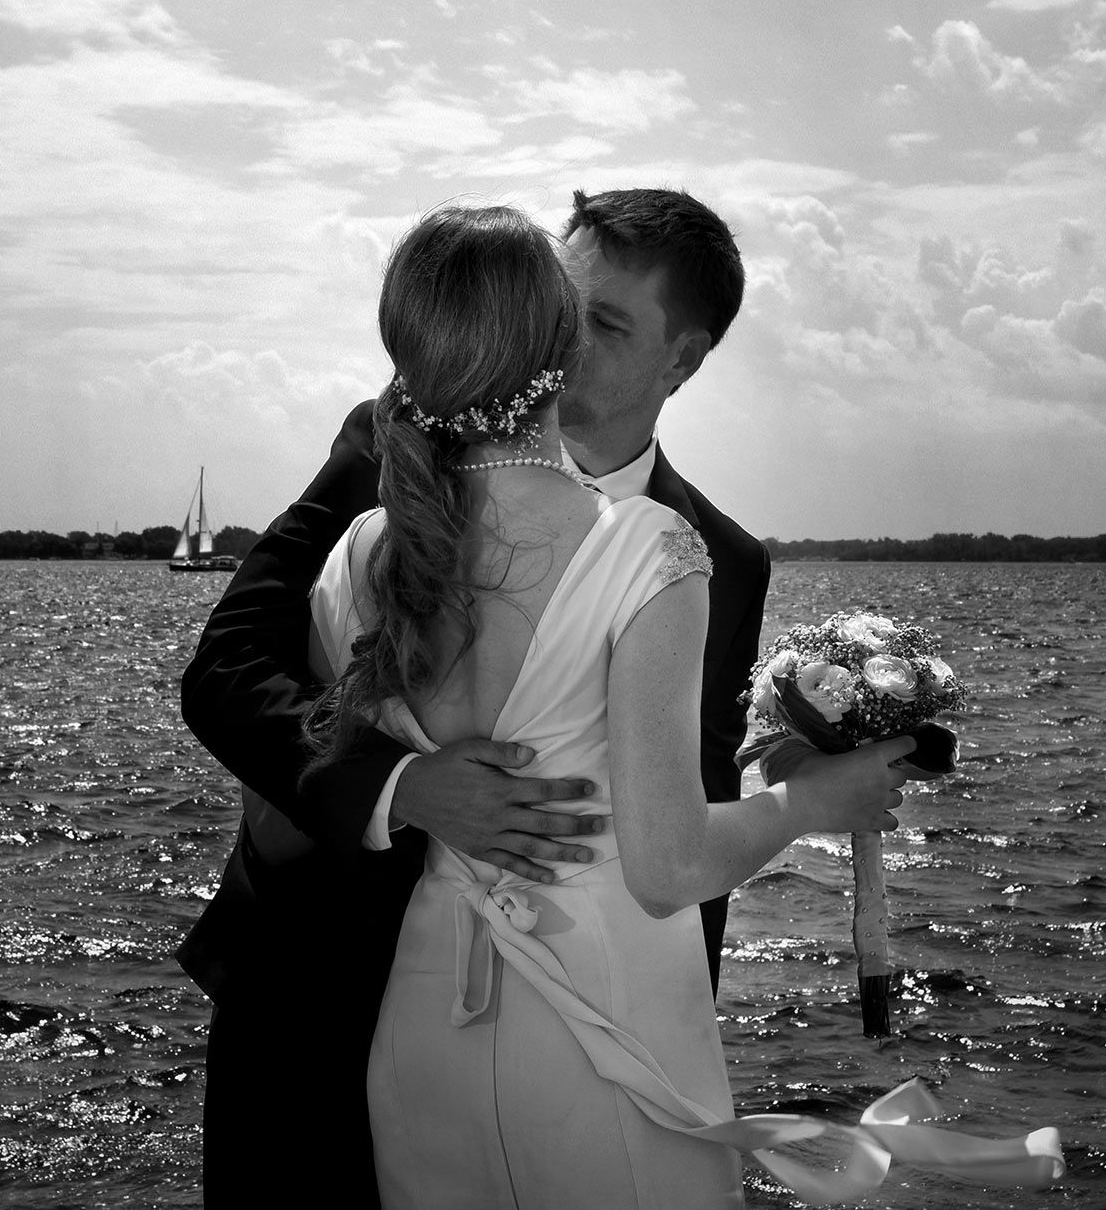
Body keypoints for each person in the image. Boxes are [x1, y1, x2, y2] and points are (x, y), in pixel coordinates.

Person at [178, 190, 914, 1207]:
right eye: (557, 308)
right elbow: (225, 666)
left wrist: (777, 781)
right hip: (310, 998)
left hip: (563, 1031)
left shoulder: (723, 559)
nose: (558, 344)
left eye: (601, 323)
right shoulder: (390, 439)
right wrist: (402, 786)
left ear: (682, 359)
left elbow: (665, 812)